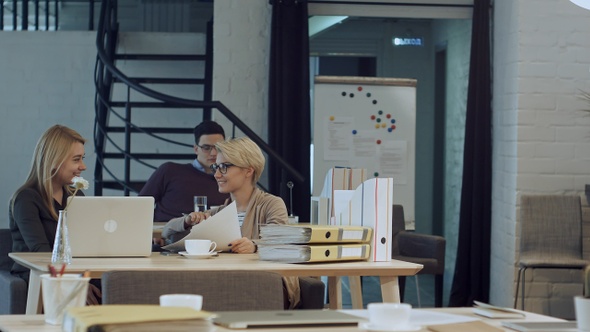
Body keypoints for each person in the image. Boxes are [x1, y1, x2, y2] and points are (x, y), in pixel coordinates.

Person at [161, 136, 300, 308]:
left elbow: (280, 243)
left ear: (248, 171)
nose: (217, 174)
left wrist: (254, 246)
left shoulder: (271, 204)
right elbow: (167, 233)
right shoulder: (219, 212)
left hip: (266, 282)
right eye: (216, 167)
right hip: (230, 282)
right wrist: (188, 221)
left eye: (224, 167)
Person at [9, 124, 101, 304]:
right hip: (37, 273)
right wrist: (76, 282)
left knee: (112, 284)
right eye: (76, 160)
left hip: (70, 271)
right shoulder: (26, 198)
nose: (83, 166)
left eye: (82, 158)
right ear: (54, 160)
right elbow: (40, 252)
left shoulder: (76, 195)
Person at [139, 120, 230, 222]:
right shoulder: (170, 171)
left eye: (218, 147)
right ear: (196, 149)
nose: (213, 153)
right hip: (165, 233)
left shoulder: (228, 178)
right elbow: (140, 205)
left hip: (210, 234)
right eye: (206, 147)